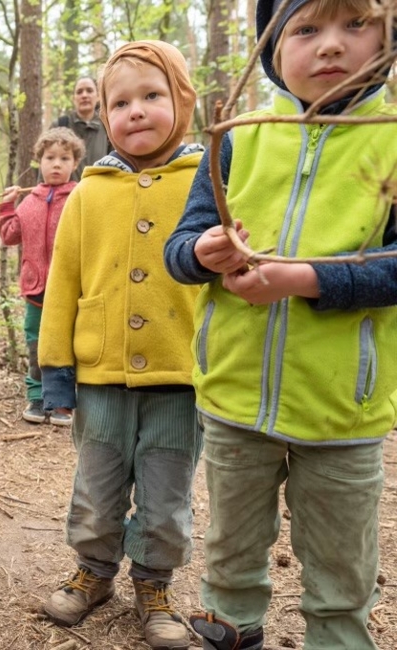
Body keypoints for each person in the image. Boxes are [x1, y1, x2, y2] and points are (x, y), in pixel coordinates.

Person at [163, 1, 397, 648]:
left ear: (388, 37)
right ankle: (229, 626)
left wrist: (307, 278)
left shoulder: (393, 138)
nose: (330, 47)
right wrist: (202, 252)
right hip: (235, 395)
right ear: (272, 49)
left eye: (355, 25)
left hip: (341, 410)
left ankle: (338, 636)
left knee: (340, 561)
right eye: (307, 29)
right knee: (230, 543)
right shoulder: (241, 135)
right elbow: (182, 246)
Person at [38, 41, 204, 650]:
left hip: (181, 376)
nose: (135, 111)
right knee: (96, 484)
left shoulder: (208, 182)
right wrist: (56, 366)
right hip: (99, 374)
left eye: (152, 96)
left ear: (182, 101)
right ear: (102, 116)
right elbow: (64, 282)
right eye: (120, 102)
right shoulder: (90, 191)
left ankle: (155, 582)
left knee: (166, 494)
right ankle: (93, 573)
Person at [0, 126, 84, 426]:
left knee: (66, 341)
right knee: (36, 343)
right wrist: (7, 206)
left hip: (71, 289)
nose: (56, 164)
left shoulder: (80, 198)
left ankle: (62, 402)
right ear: (39, 162)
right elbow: (10, 236)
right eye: (50, 157)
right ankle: (37, 398)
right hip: (35, 289)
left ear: (75, 163)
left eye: (64, 158)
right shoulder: (29, 201)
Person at [53, 77, 112, 181]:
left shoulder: (108, 126)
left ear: (98, 96)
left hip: (99, 193)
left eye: (89, 91)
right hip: (66, 195)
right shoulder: (60, 125)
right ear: (73, 98)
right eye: (79, 92)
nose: (84, 95)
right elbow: (46, 164)